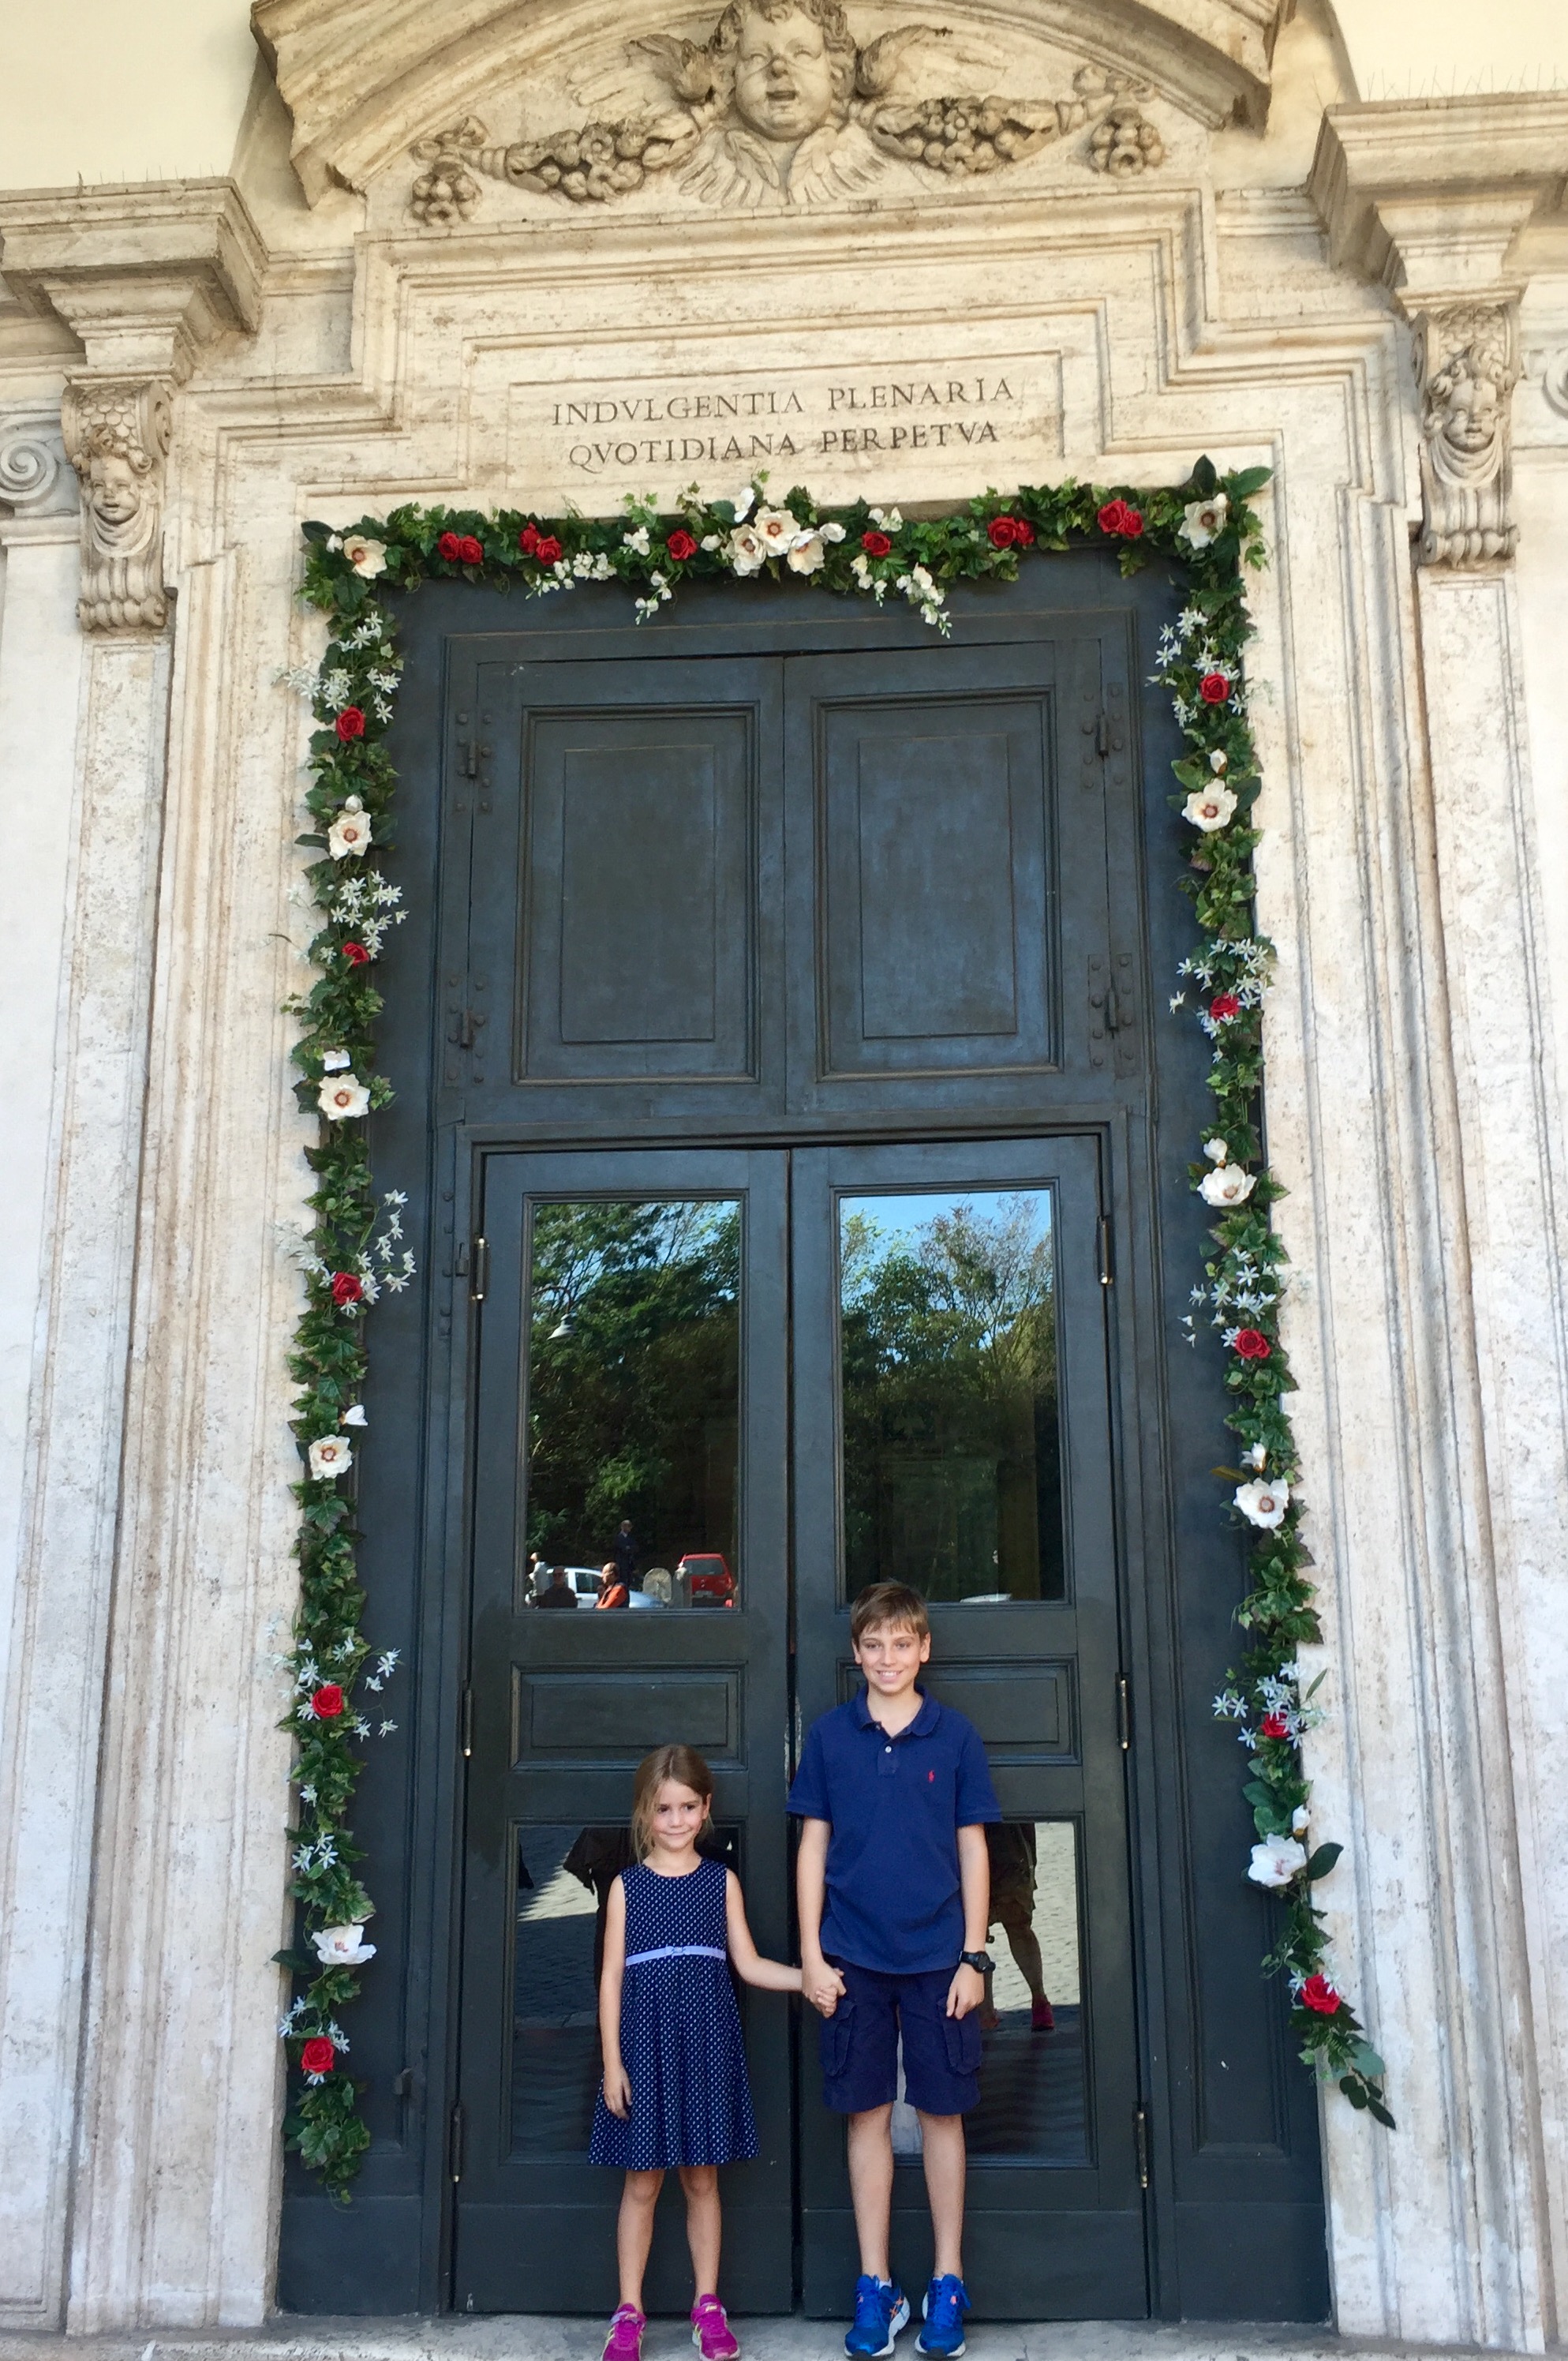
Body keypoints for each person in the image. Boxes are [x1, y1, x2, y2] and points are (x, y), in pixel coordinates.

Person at [789, 1582, 1000, 2361]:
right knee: (866, 2115)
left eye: (901, 1645)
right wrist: (812, 1953)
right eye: (872, 1646)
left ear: (924, 1651)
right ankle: (875, 2282)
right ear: (856, 1653)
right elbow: (812, 1846)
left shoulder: (954, 1737)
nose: (887, 1659)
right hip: (852, 1959)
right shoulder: (830, 1737)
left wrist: (975, 1954)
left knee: (943, 2113)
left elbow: (974, 1847)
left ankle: (947, 2279)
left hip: (940, 1960)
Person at [591, 1744, 811, 2361]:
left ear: (706, 1806)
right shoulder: (627, 1888)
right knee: (641, 2182)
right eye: (664, 1809)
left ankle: (706, 2305)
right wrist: (613, 2061)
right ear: (644, 1813)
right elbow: (610, 1978)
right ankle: (628, 2310)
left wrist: (807, 1977)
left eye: (688, 1806)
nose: (677, 1820)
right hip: (645, 2048)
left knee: (701, 2178)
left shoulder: (721, 1881)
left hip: (706, 2048)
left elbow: (747, 1963)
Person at [978, 1823, 1053, 2034]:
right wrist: (1031, 1861)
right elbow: (1028, 1815)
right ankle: (1040, 2002)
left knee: (973, 1935)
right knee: (1019, 1928)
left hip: (972, 1843)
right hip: (1012, 1850)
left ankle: (985, 2014)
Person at [613, 1519, 642, 1591]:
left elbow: (635, 1548)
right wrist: (628, 1548)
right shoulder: (618, 1538)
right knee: (622, 1580)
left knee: (630, 1580)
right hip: (621, 1563)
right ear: (623, 1527)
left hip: (630, 1563)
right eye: (628, 1526)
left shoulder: (631, 1538)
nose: (630, 1528)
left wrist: (629, 1548)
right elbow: (622, 1549)